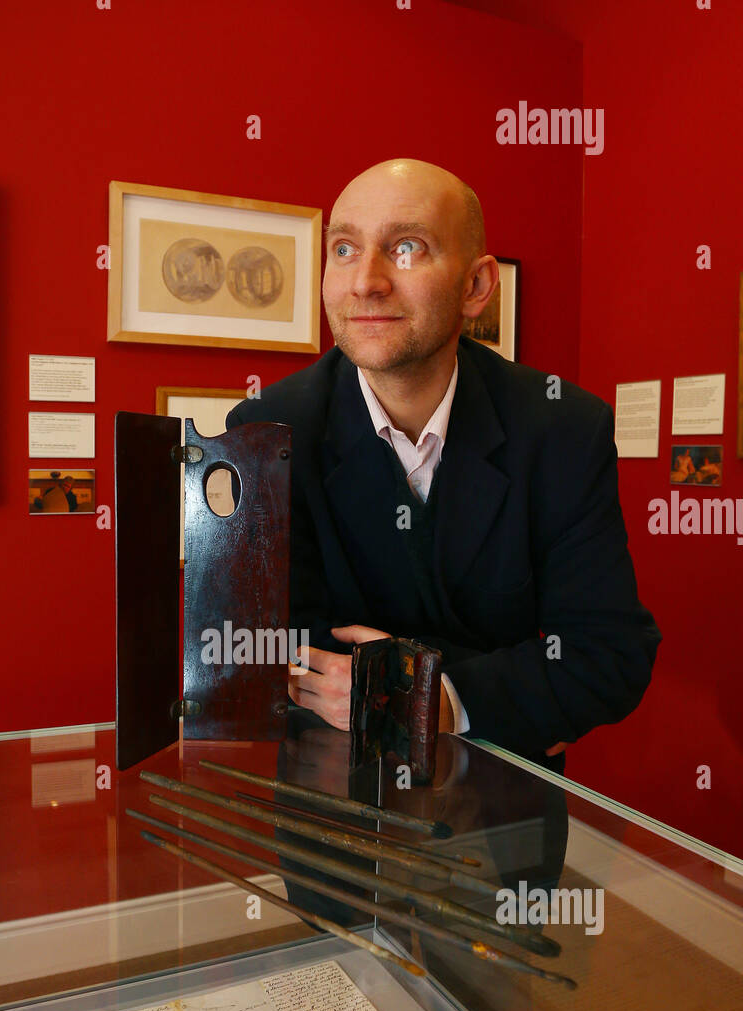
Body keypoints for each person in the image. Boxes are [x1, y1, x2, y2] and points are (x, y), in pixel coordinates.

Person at [227, 159, 660, 769]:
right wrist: (517, 690)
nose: (367, 282)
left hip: (501, 821)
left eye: (407, 247)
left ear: (476, 286)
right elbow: (266, 651)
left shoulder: (563, 429)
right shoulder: (269, 430)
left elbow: (609, 654)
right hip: (329, 804)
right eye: (345, 248)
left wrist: (430, 692)